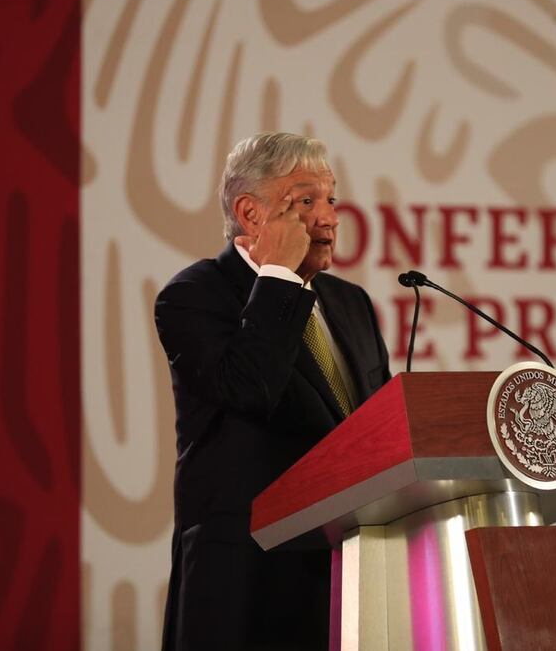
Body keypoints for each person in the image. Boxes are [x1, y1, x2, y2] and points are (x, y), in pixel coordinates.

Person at [155, 132, 391, 650]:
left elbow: (379, 432)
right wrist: (280, 275)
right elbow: (251, 388)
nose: (328, 217)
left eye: (331, 199)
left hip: (350, 575)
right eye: (305, 202)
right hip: (247, 586)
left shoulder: (351, 304)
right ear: (251, 214)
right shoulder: (194, 296)